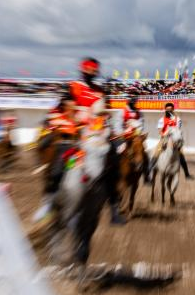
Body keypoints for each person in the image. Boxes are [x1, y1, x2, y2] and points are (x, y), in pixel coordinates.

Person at [34, 57, 126, 225]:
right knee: (59, 165)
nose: (92, 73)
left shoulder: (100, 91)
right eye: (89, 70)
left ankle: (114, 210)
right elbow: (63, 108)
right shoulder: (73, 87)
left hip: (97, 133)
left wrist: (114, 135)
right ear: (83, 71)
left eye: (94, 71)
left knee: (113, 168)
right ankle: (48, 203)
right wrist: (68, 122)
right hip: (75, 133)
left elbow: (106, 115)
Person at [148, 103, 194, 181]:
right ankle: (148, 172)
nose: (168, 111)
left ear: (173, 110)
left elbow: (177, 130)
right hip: (164, 139)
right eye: (167, 109)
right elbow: (160, 131)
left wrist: (174, 138)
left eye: (170, 109)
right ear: (165, 110)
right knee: (156, 153)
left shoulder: (178, 119)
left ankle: (187, 174)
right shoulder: (161, 120)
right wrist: (165, 135)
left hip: (174, 140)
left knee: (181, 155)